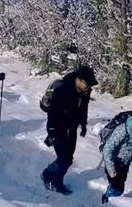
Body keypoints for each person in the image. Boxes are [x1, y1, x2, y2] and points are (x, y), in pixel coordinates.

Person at [40, 65, 98, 194]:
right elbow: (53, 112)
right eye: (87, 84)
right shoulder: (62, 90)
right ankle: (48, 175)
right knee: (63, 158)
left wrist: (83, 124)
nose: (89, 87)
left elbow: (84, 108)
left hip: (72, 127)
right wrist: (51, 131)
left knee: (69, 158)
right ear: (79, 80)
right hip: (58, 127)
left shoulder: (85, 92)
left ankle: (58, 180)